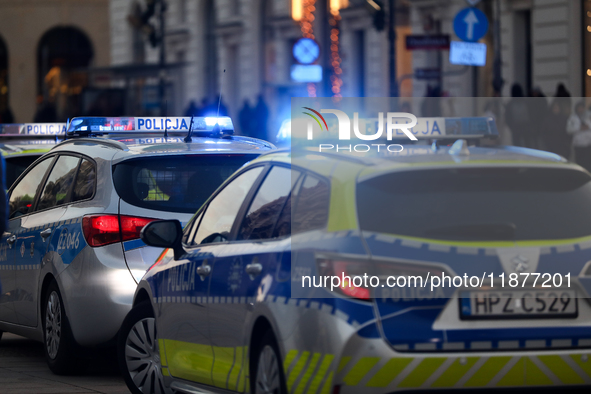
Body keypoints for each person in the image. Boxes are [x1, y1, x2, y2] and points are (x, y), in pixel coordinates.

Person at [567, 101, 591, 171]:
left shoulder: (589, 116)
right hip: (578, 145)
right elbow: (568, 130)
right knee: (579, 162)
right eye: (579, 108)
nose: (581, 109)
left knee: (588, 162)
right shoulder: (572, 118)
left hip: (588, 144)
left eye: (582, 108)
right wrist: (579, 128)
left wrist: (588, 126)